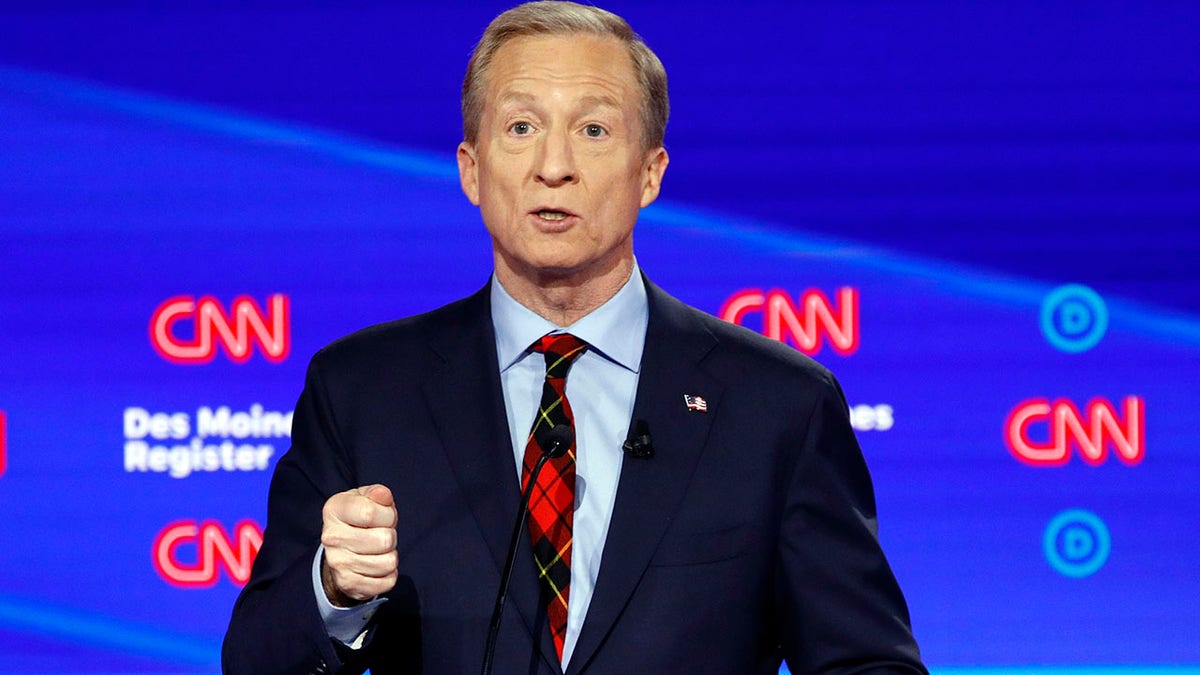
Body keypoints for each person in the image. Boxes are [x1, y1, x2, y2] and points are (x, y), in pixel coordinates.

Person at [223, 2, 926, 673]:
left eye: (592, 131)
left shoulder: (778, 405)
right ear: (472, 168)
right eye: (521, 127)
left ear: (649, 174)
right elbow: (256, 661)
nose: (552, 165)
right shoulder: (361, 391)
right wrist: (336, 592)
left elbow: (867, 661)